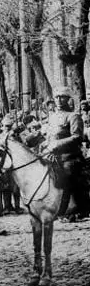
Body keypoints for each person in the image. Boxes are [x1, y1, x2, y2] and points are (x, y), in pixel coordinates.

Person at [43, 86, 89, 222]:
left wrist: (56, 145)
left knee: (68, 178)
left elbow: (77, 137)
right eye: (56, 97)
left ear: (68, 99)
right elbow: (49, 137)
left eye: (62, 97)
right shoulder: (52, 117)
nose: (58, 100)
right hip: (53, 156)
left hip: (70, 157)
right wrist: (46, 146)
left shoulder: (73, 116)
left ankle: (73, 210)